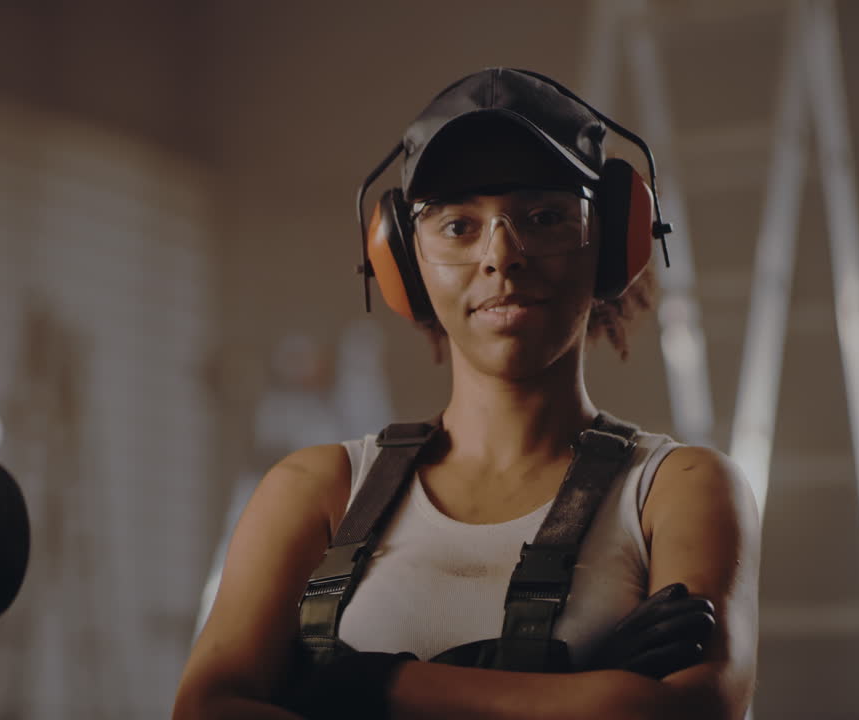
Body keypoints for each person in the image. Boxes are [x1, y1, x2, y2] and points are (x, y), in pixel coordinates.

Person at [173, 68, 760, 720]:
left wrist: (373, 689)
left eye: (543, 217)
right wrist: (588, 690)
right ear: (402, 258)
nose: (502, 256)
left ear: (615, 240)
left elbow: (690, 714)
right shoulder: (317, 491)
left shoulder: (676, 489)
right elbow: (206, 709)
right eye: (458, 225)